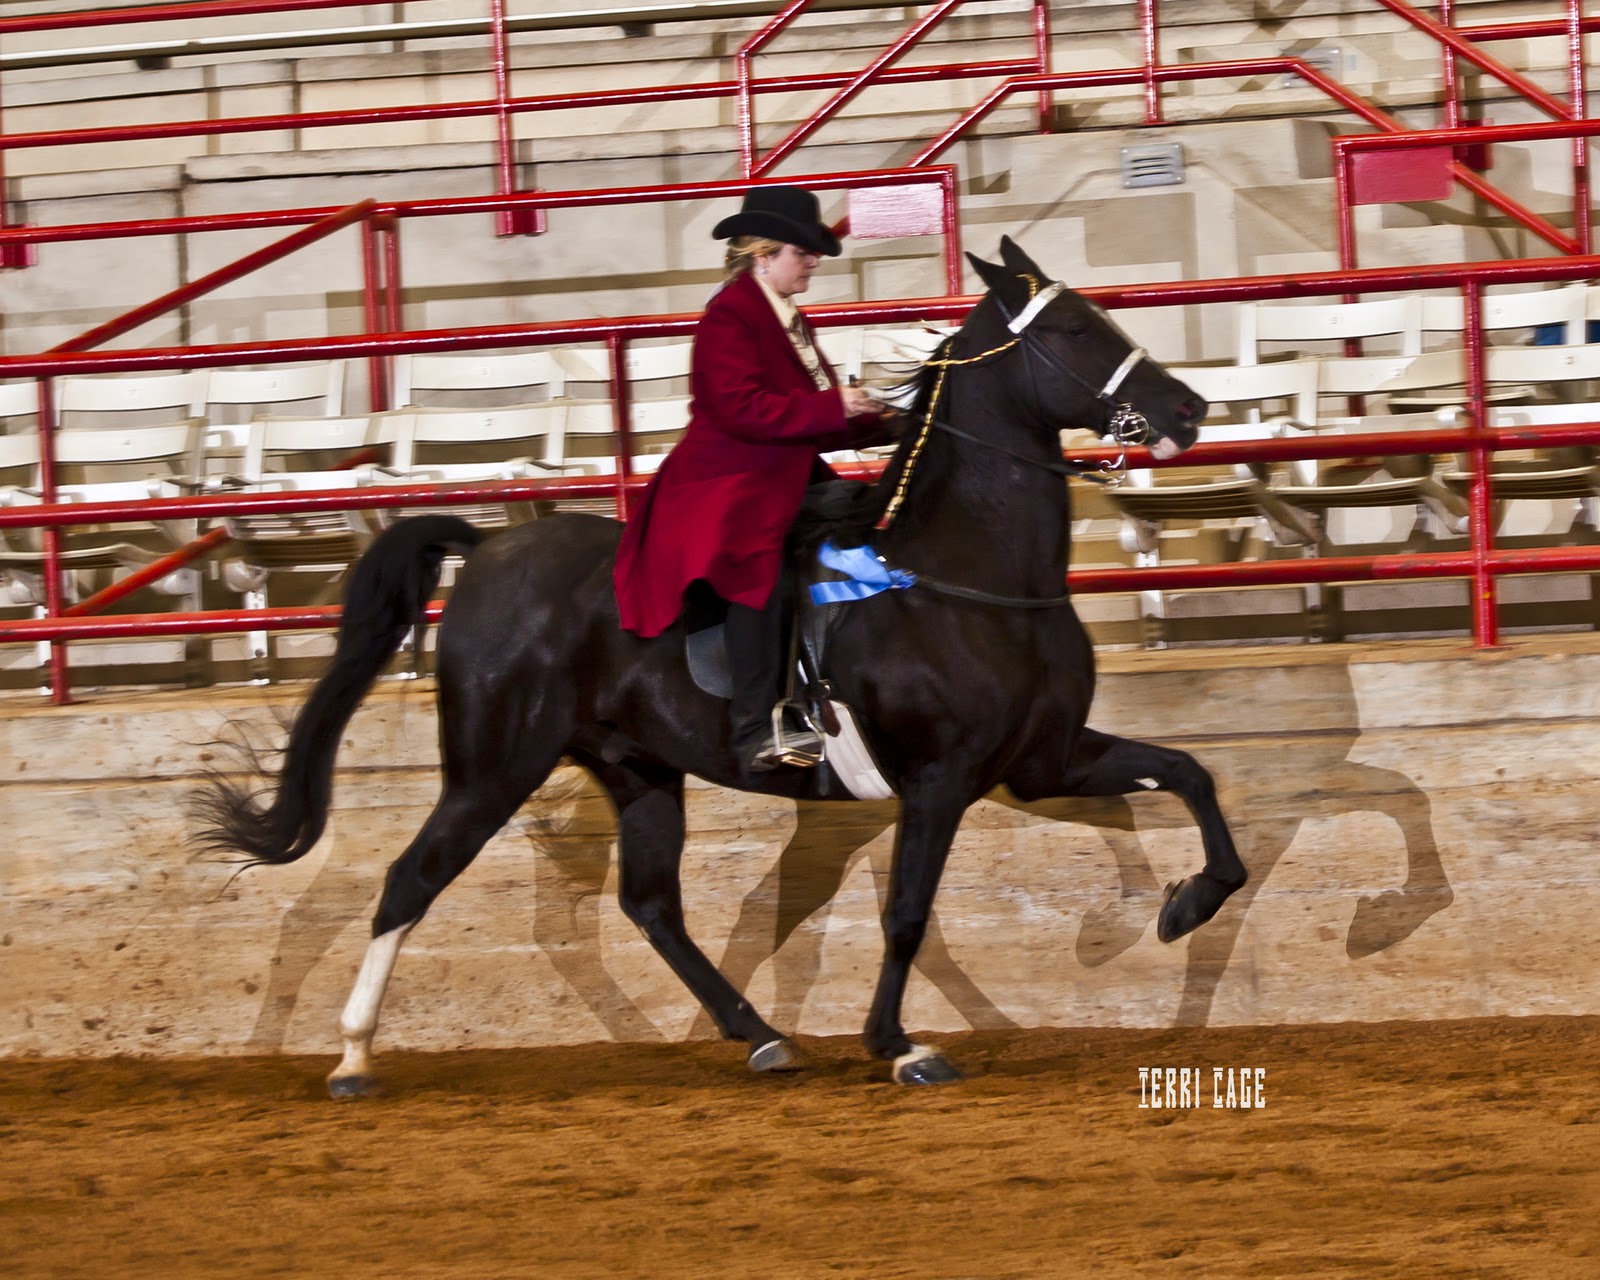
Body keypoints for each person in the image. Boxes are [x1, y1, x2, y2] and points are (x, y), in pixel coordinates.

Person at [613, 185, 888, 777]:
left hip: (779, 469)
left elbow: (807, 416)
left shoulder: (789, 317)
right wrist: (838, 408)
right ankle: (753, 726)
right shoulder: (729, 315)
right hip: (726, 481)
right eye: (803, 251)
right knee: (760, 569)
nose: (815, 260)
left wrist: (882, 421)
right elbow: (745, 410)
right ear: (764, 255)